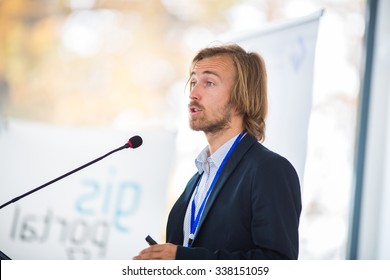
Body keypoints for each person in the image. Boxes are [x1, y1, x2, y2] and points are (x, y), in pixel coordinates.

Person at [133, 43, 301, 260]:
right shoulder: (195, 182)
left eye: (209, 83)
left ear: (241, 97)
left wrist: (184, 259)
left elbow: (277, 263)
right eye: (193, 82)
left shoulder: (269, 169)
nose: (193, 93)